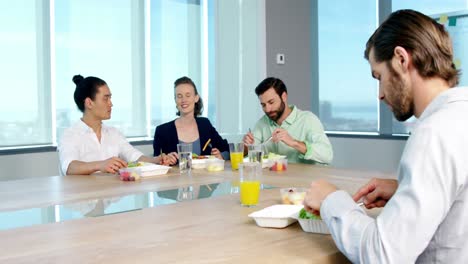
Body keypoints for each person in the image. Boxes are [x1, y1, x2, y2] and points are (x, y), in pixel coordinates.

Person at [303, 9, 468, 263]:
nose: (379, 94)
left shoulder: (433, 134)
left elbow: (383, 254)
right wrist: (405, 189)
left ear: (401, 59)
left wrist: (330, 200)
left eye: (379, 76)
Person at [58, 75, 177, 176]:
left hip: (111, 197)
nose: (111, 104)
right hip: (82, 199)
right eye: (106, 99)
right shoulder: (70, 134)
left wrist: (157, 160)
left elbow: (134, 156)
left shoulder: (113, 133)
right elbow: (69, 167)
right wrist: (101, 165)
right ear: (89, 103)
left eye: (110, 98)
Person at [242, 77, 333, 164]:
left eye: (271, 102)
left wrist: (294, 143)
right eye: (263, 105)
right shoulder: (262, 123)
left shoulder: (308, 119)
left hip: (304, 179)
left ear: (284, 97)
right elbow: (251, 157)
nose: (267, 109)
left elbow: (327, 155)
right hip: (273, 179)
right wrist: (246, 148)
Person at [153, 76, 229, 160]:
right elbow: (156, 162)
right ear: (175, 100)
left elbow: (227, 150)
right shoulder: (162, 131)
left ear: (196, 98)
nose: (183, 100)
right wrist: (164, 160)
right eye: (179, 96)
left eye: (188, 95)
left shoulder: (205, 124)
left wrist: (221, 156)